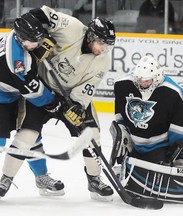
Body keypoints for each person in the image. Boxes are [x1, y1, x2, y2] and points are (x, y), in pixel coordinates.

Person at [0, 5, 116, 201]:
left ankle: (94, 178)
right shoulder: (71, 27)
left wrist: (77, 106)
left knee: (92, 134)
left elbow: (88, 87)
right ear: (90, 36)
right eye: (101, 43)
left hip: (70, 98)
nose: (104, 49)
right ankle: (6, 178)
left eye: (108, 45)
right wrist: (34, 23)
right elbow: (44, 13)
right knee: (27, 135)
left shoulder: (102, 61)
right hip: (44, 89)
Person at [109, 55, 183, 205]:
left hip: (160, 149)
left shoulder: (173, 93)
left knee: (155, 171)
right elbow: (120, 118)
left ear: (157, 77)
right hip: (135, 146)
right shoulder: (123, 86)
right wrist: (122, 141)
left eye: (147, 81)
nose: (142, 84)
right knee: (126, 171)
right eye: (140, 80)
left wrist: (180, 153)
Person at [0, 13, 64, 198]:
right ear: (21, 38)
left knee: (30, 135)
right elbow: (33, 91)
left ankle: (41, 176)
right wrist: (53, 102)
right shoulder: (18, 61)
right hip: (2, 96)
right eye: (33, 41)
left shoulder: (20, 35)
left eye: (38, 39)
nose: (37, 44)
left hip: (14, 92)